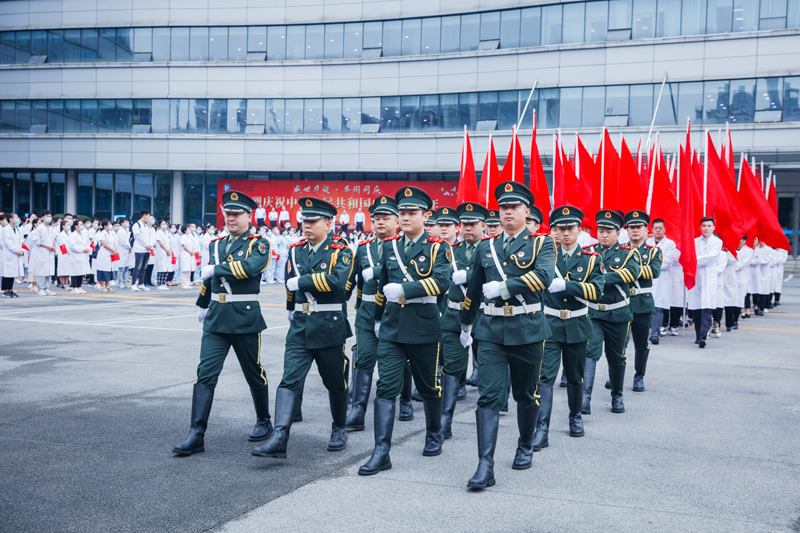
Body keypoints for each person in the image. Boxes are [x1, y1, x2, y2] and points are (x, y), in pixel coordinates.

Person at [458, 181, 554, 490]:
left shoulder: (542, 243)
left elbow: (543, 277)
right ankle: (485, 464)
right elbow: (473, 289)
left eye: (514, 207)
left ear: (527, 211)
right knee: (488, 396)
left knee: (525, 394)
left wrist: (503, 288)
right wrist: (465, 323)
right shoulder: (487, 247)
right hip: (491, 332)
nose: (508, 211)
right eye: (503, 207)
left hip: (527, 330)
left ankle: (525, 445)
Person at [358, 187, 451, 476]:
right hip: (392, 326)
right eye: (403, 213)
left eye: (412, 213)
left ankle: (434, 432)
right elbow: (381, 288)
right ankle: (381, 450)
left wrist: (407, 289)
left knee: (427, 387)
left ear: (425, 216)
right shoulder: (390, 246)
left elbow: (441, 283)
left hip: (423, 326)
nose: (407, 217)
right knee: (385, 387)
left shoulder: (438, 247)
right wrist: (376, 319)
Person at [252, 197, 354, 459]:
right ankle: (279, 436)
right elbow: (289, 283)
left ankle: (339, 427)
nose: (306, 225)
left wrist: (303, 282)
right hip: (300, 325)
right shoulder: (296, 249)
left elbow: (337, 281)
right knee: (290, 378)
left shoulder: (340, 250)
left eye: (312, 221)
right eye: (304, 221)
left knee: (334, 380)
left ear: (328, 223)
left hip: (328, 326)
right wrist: (290, 306)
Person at [173, 190, 273, 456]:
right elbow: (211, 280)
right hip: (217, 316)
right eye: (228, 213)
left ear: (249, 216)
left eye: (236, 213)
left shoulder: (259, 243)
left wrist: (215, 269)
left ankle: (264, 420)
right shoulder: (217, 244)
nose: (231, 218)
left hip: (244, 317)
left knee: (253, 371)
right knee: (206, 372)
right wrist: (202, 303)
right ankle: (196, 433)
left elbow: (249, 268)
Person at [536, 206, 604, 449]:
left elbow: (597, 291)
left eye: (570, 228)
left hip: (576, 323)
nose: (565, 233)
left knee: (575, 377)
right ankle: (541, 427)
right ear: (554, 230)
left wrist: (567, 285)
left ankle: (575, 417)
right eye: (560, 228)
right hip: (551, 324)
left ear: (579, 230)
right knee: (545, 377)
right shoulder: (546, 257)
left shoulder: (591, 258)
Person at [345, 196, 400, 432]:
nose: (379, 222)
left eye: (385, 218)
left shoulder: (402, 246)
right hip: (367, 312)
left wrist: (377, 271)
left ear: (397, 221)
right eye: (376, 218)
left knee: (392, 363)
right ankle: (358, 410)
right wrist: (339, 303)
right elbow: (352, 279)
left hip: (395, 312)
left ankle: (400, 402)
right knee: (364, 358)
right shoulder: (364, 247)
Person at [582, 210, 641, 414]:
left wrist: (599, 279)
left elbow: (631, 273)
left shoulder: (628, 253)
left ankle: (617, 395)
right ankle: (584, 398)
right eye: (601, 230)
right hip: (593, 314)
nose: (604, 234)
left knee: (616, 357)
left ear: (618, 233)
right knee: (590, 352)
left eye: (609, 231)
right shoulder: (588, 251)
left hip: (618, 314)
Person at [440, 201, 488, 440]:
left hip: (484, 316)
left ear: (483, 225)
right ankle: (444, 422)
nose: (468, 228)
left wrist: (469, 276)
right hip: (454, 316)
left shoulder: (491, 250)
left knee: (488, 369)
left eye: (473, 224)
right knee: (451, 369)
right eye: (465, 224)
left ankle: (489, 417)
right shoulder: (451, 250)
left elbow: (500, 276)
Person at [623, 210, 662, 392]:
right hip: (621, 301)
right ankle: (615, 375)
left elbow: (653, 272)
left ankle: (639, 376)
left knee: (641, 344)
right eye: (631, 227)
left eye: (639, 227)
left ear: (647, 230)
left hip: (642, 302)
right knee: (618, 343)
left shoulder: (653, 252)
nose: (635, 230)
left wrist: (628, 269)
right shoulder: (620, 249)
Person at [687, 218, 723, 346]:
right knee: (696, 310)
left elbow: (711, 258)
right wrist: (691, 259)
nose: (706, 228)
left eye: (709, 226)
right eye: (704, 226)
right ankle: (698, 335)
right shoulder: (694, 242)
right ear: (700, 227)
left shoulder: (717, 242)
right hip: (696, 278)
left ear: (714, 227)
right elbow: (688, 255)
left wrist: (693, 259)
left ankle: (703, 336)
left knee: (706, 309)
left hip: (709, 278)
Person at [646, 219, 679, 341]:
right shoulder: (647, 242)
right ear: (652, 229)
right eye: (656, 228)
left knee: (658, 307)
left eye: (660, 228)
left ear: (664, 229)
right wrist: (655, 262)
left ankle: (655, 333)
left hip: (661, 279)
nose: (658, 230)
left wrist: (649, 263)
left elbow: (666, 263)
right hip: (647, 278)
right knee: (645, 307)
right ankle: (644, 333)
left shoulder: (670, 244)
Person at [30, 211, 56, 296]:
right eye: (47, 216)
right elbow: (36, 241)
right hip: (42, 251)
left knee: (49, 271)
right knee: (41, 271)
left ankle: (47, 288)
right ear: (43, 217)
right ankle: (40, 288)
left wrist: (53, 248)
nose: (49, 217)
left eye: (50, 216)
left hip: (50, 252)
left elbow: (52, 240)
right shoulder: (40, 228)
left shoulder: (51, 228)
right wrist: (48, 247)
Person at [2, 213, 25, 297]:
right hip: (10, 254)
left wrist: (22, 250)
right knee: (7, 273)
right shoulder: (6, 229)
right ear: (10, 219)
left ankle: (10, 289)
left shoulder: (17, 229)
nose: (17, 219)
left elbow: (21, 241)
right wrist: (16, 251)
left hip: (16, 254)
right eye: (15, 217)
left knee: (12, 273)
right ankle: (5, 290)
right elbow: (8, 242)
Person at [131, 211, 155, 291]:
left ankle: (141, 284)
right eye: (148, 216)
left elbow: (151, 236)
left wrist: (150, 245)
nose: (149, 218)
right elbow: (138, 237)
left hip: (147, 250)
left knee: (144, 267)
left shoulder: (147, 226)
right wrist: (146, 245)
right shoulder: (137, 225)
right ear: (144, 216)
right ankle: (133, 284)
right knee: (137, 267)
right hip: (139, 249)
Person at [68, 220, 91, 294]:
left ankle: (79, 286)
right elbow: (72, 246)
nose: (82, 226)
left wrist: (87, 248)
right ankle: (74, 287)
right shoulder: (72, 235)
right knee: (75, 272)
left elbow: (87, 243)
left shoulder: (83, 234)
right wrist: (82, 249)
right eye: (80, 224)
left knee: (81, 272)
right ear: (76, 226)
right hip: (76, 255)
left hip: (83, 256)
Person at [95, 220, 116, 293]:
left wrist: (114, 250)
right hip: (103, 254)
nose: (110, 225)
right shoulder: (102, 234)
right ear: (105, 226)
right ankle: (102, 286)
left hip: (110, 254)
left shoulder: (111, 233)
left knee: (108, 270)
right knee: (102, 269)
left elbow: (113, 243)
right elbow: (104, 244)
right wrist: (112, 250)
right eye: (109, 224)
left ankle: (107, 286)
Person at [155, 220, 172, 290]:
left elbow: (169, 242)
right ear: (159, 225)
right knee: (161, 269)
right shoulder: (159, 233)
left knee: (166, 269)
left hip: (167, 253)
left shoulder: (167, 233)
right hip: (161, 252)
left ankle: (164, 283)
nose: (164, 225)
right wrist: (167, 250)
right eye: (162, 224)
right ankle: (160, 284)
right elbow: (161, 243)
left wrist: (169, 250)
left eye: (165, 224)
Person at [180, 223, 198, 289]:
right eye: (188, 229)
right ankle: (183, 283)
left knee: (189, 269)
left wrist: (192, 251)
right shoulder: (183, 237)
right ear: (185, 230)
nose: (189, 230)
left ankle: (187, 283)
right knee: (184, 269)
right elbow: (184, 246)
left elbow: (192, 245)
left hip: (190, 255)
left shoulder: (189, 237)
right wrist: (190, 251)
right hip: (185, 254)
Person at [56, 219, 72, 288]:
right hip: (63, 252)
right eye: (67, 225)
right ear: (63, 226)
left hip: (70, 253)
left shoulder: (70, 233)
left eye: (69, 225)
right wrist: (68, 251)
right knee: (62, 268)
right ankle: (63, 283)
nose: (69, 226)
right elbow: (63, 244)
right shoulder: (61, 235)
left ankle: (67, 283)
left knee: (68, 268)